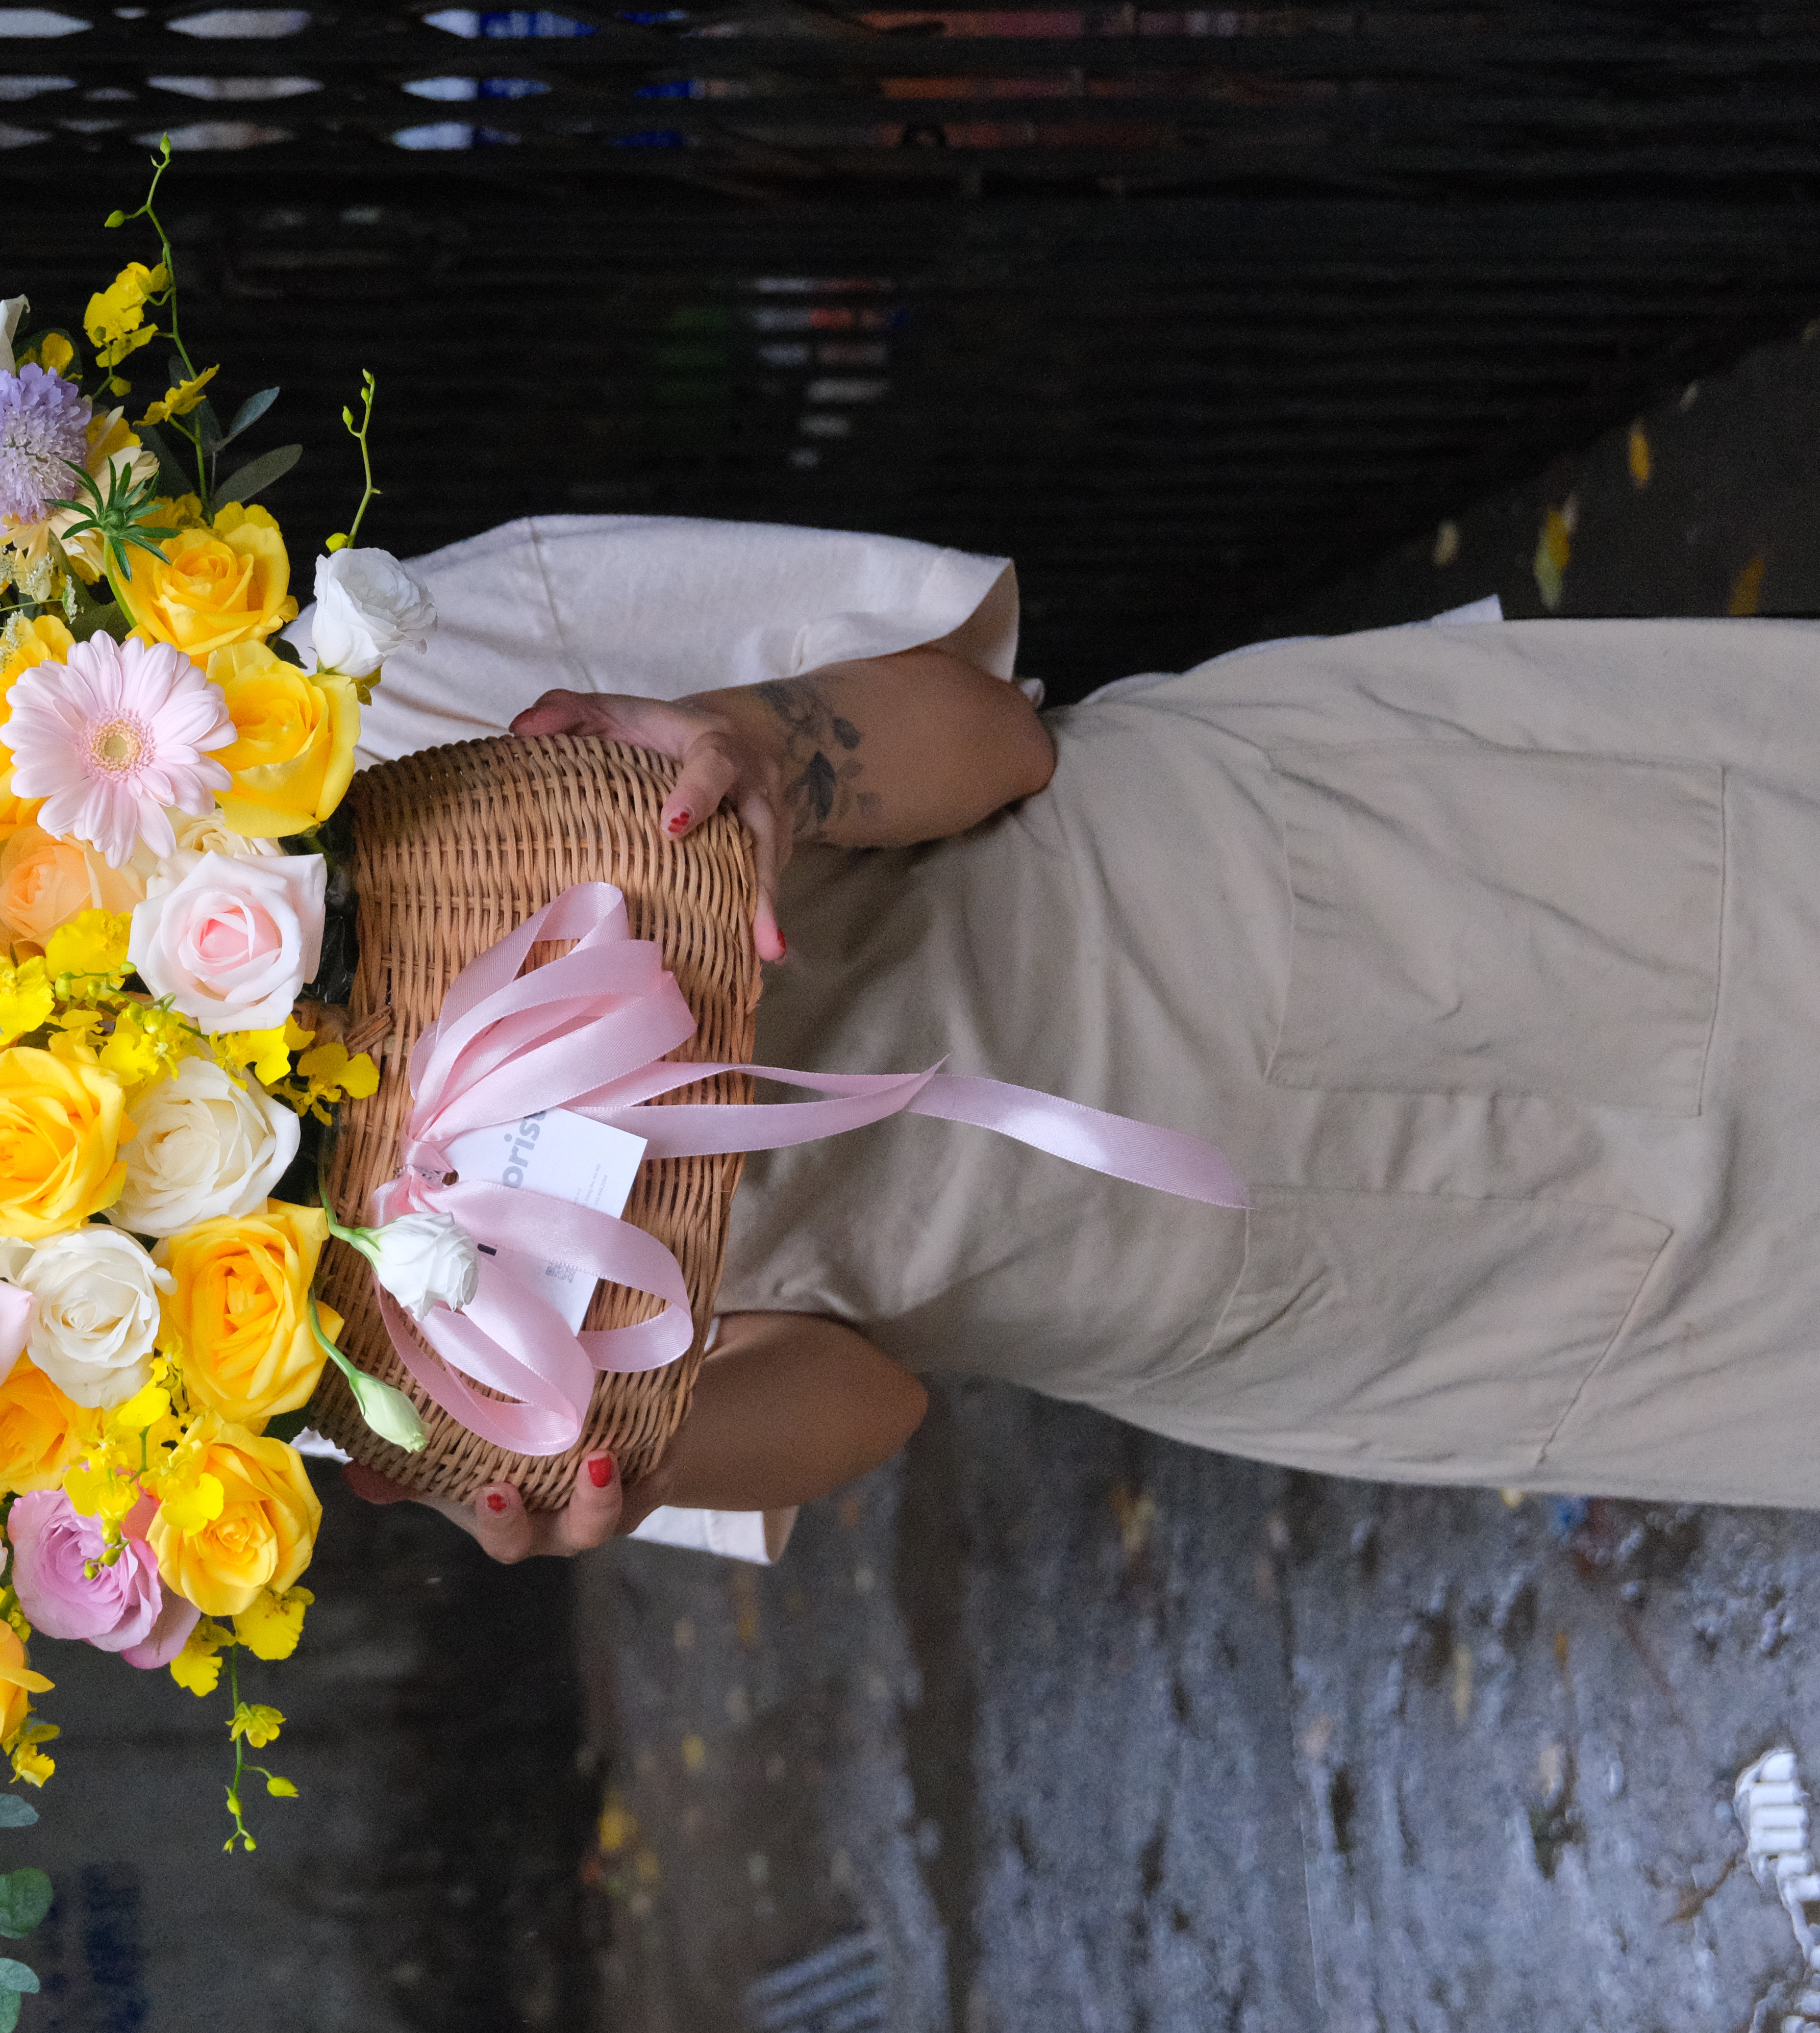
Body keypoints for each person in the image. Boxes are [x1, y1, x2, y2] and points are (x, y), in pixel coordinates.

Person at [334, 514, 1820, 1561]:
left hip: (1353, 887)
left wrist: (768, 745)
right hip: (1347, 1293)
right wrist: (621, 1474)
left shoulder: (358, 680)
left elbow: (995, 738)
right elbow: (866, 1401)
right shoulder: (254, 1353)